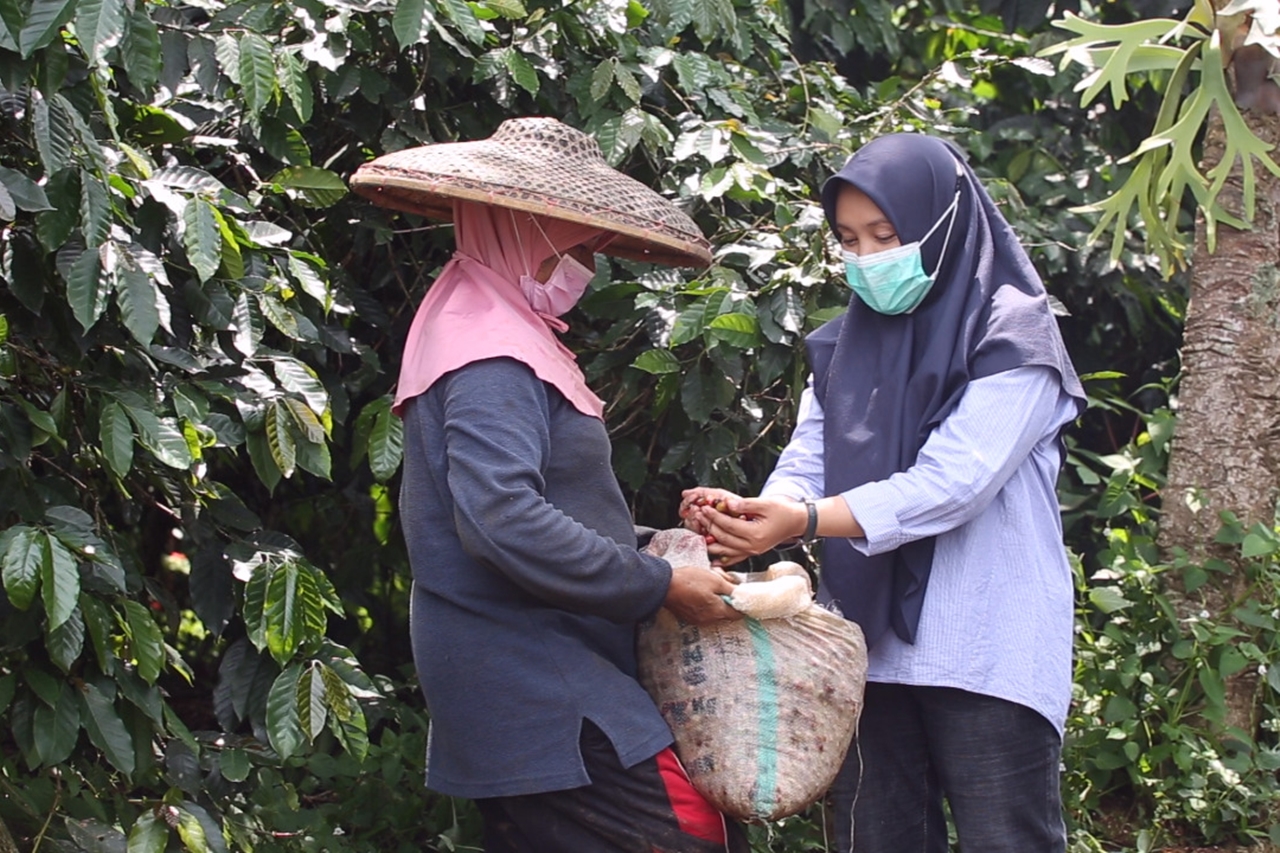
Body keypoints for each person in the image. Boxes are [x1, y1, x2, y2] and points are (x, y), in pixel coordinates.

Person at [350, 118, 749, 852]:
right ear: (516, 224)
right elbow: (504, 520)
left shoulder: (491, 326)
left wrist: (666, 547)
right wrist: (658, 584)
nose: (586, 259)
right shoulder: (489, 355)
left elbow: (540, 508)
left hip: (537, 669)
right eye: (572, 237)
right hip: (536, 675)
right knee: (690, 829)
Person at [681, 132, 1086, 853]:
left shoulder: (1016, 340)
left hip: (985, 645)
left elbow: (953, 483)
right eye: (848, 239)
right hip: (863, 651)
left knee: (1007, 840)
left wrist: (801, 519)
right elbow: (809, 458)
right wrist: (755, 516)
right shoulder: (843, 345)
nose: (867, 258)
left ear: (946, 223)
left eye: (886, 235)